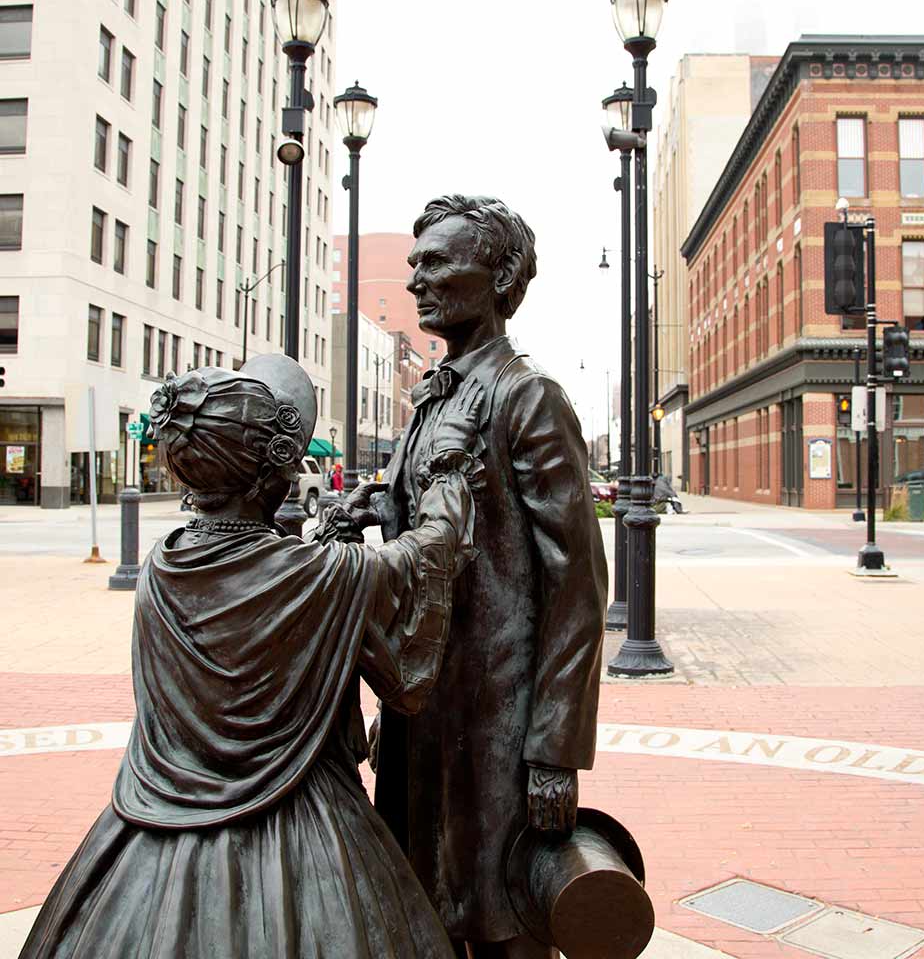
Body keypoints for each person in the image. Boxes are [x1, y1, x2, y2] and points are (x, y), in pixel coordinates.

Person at [20, 354, 484, 959]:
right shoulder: (317, 575)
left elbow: (270, 592)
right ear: (273, 476)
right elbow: (432, 550)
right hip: (306, 834)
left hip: (147, 832)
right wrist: (447, 465)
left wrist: (331, 548)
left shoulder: (162, 564)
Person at [373, 195, 607, 958]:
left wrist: (554, 750)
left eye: (437, 263)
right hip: (426, 718)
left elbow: (577, 586)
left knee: (506, 924)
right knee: (424, 909)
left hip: (500, 729)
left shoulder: (526, 396)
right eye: (414, 265)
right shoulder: (428, 402)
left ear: (500, 277)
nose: (417, 281)